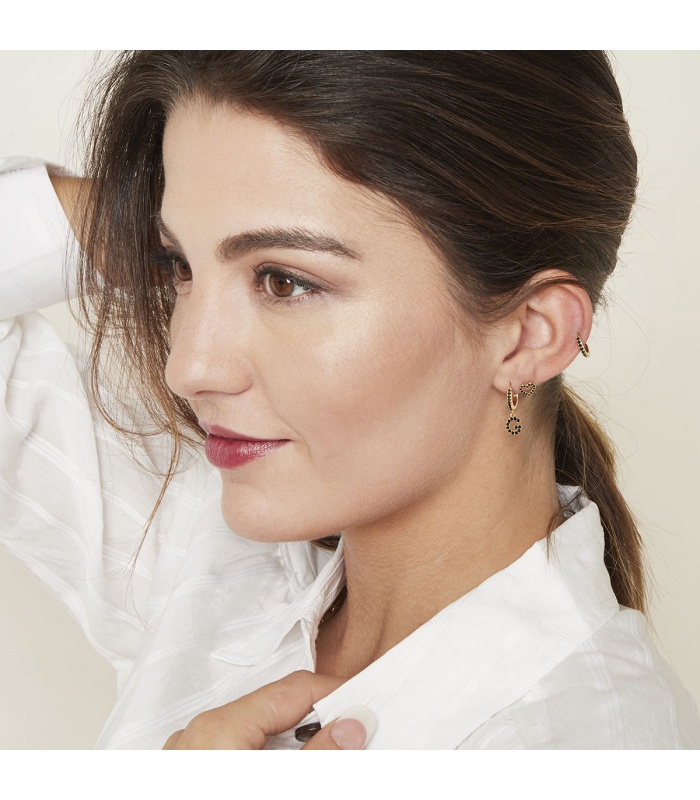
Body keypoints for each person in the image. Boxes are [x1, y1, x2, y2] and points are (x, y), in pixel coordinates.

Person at [1, 51, 699, 749]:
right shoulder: (210, 563)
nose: (188, 367)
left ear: (529, 336)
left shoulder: (588, 742)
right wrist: (160, 205)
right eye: (177, 265)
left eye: (284, 282)